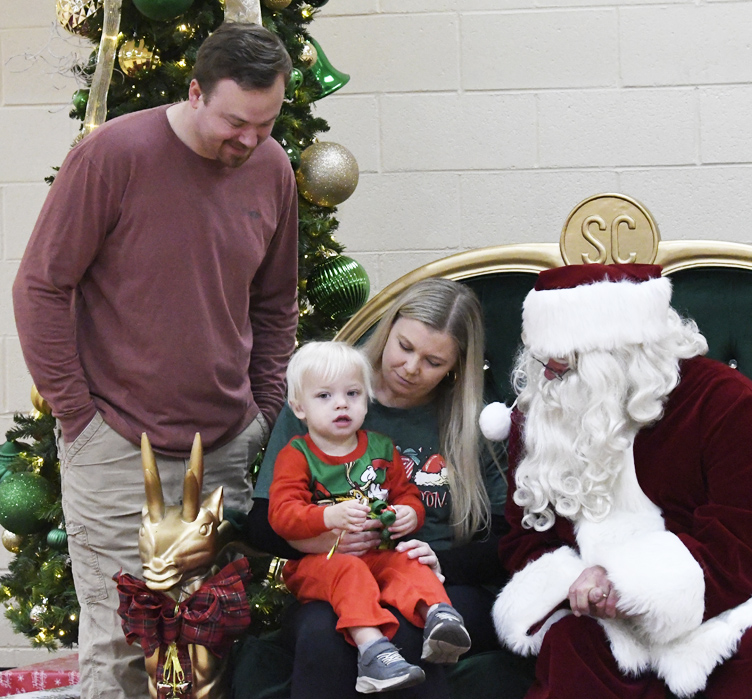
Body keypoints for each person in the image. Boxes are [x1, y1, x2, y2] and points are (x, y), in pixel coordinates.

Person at [12, 22, 298, 699]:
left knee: (207, 647)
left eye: (265, 124)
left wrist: (262, 411)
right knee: (123, 646)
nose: (250, 141)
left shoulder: (273, 168)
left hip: (223, 446)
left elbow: (275, 301)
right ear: (195, 92)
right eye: (235, 122)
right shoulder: (112, 156)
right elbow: (41, 286)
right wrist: (79, 418)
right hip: (116, 446)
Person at [489, 263, 752, 698]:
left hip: (726, 603)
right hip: (598, 621)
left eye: (564, 364)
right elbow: (525, 537)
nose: (547, 377)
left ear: (619, 354)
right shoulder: (546, 411)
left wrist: (629, 585)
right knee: (570, 645)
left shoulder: (728, 404)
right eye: (543, 360)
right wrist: (581, 588)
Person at [245, 277, 508, 699]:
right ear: (388, 329)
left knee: (410, 631)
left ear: (456, 366)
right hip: (333, 573)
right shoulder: (325, 397)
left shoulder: (475, 421)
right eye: (404, 347)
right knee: (325, 635)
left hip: (439, 581)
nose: (411, 367)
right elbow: (263, 521)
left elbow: (507, 541)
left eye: (433, 361)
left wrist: (439, 562)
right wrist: (321, 539)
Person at [269, 341, 472, 693]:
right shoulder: (297, 454)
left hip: (377, 553)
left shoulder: (381, 448)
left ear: (367, 399)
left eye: (352, 393)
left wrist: (409, 513)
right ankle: (373, 651)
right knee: (350, 571)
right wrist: (328, 516)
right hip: (320, 564)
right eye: (324, 396)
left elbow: (406, 494)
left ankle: (439, 616)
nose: (341, 404)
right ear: (299, 407)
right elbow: (281, 515)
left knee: (409, 560)